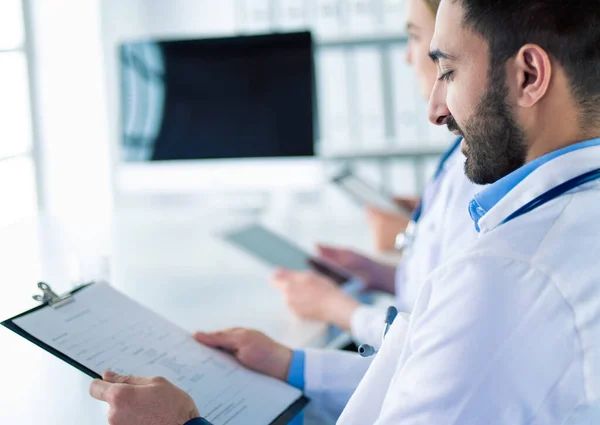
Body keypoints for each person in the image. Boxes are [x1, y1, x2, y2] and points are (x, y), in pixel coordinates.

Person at [89, 0, 600, 423]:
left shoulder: (507, 276)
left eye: (448, 69)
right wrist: (292, 365)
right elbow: (430, 373)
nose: (435, 108)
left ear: (529, 75)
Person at [270, 0, 482, 349]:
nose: (407, 56)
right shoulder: (461, 157)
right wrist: (377, 274)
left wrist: (335, 308)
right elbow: (436, 289)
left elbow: (434, 345)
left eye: (415, 38)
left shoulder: (480, 173)